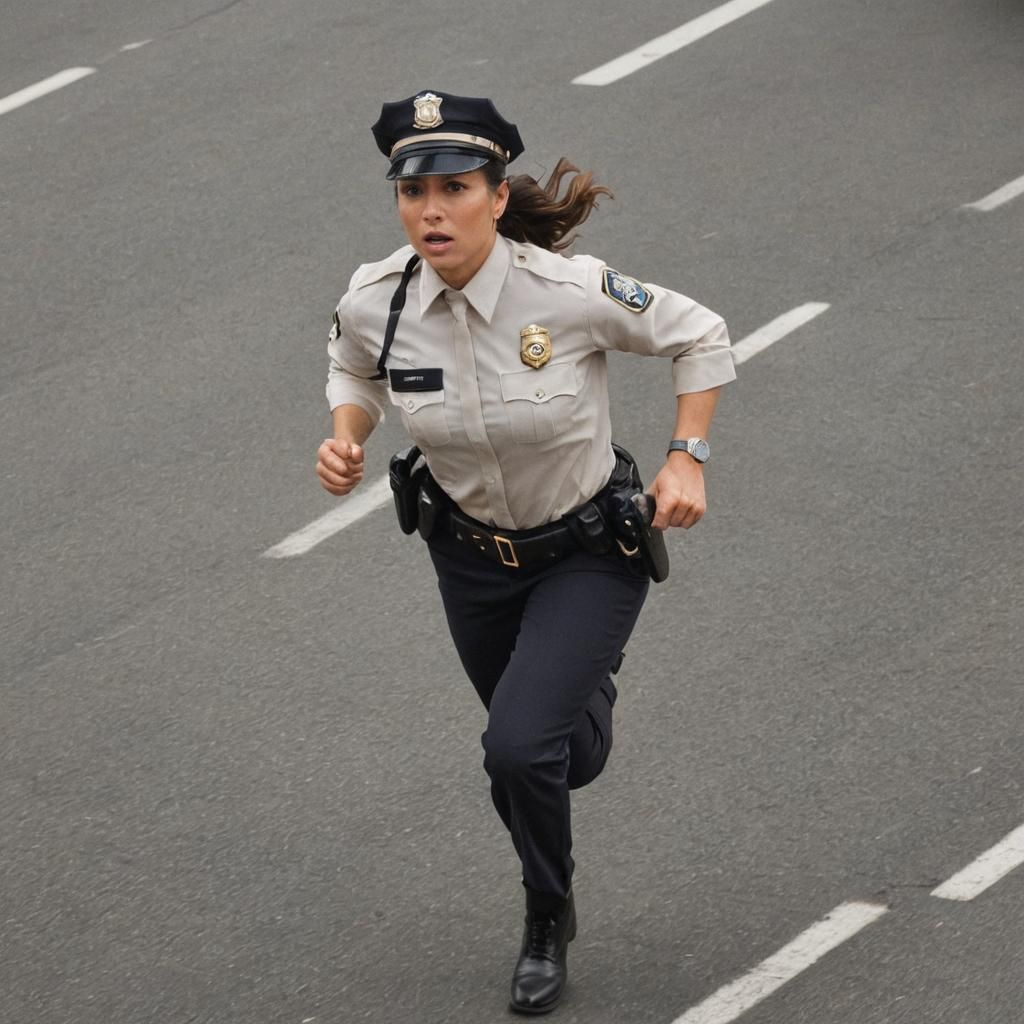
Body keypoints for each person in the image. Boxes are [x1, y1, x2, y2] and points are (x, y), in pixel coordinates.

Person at [316, 90, 735, 1015]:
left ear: (498, 197)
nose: (431, 211)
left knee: (515, 749)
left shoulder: (567, 292)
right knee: (559, 757)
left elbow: (700, 335)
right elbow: (353, 368)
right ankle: (575, 685)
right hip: (469, 562)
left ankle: (547, 914)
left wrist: (686, 457)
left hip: (587, 549)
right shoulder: (378, 300)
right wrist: (346, 434)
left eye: (456, 189)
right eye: (413, 192)